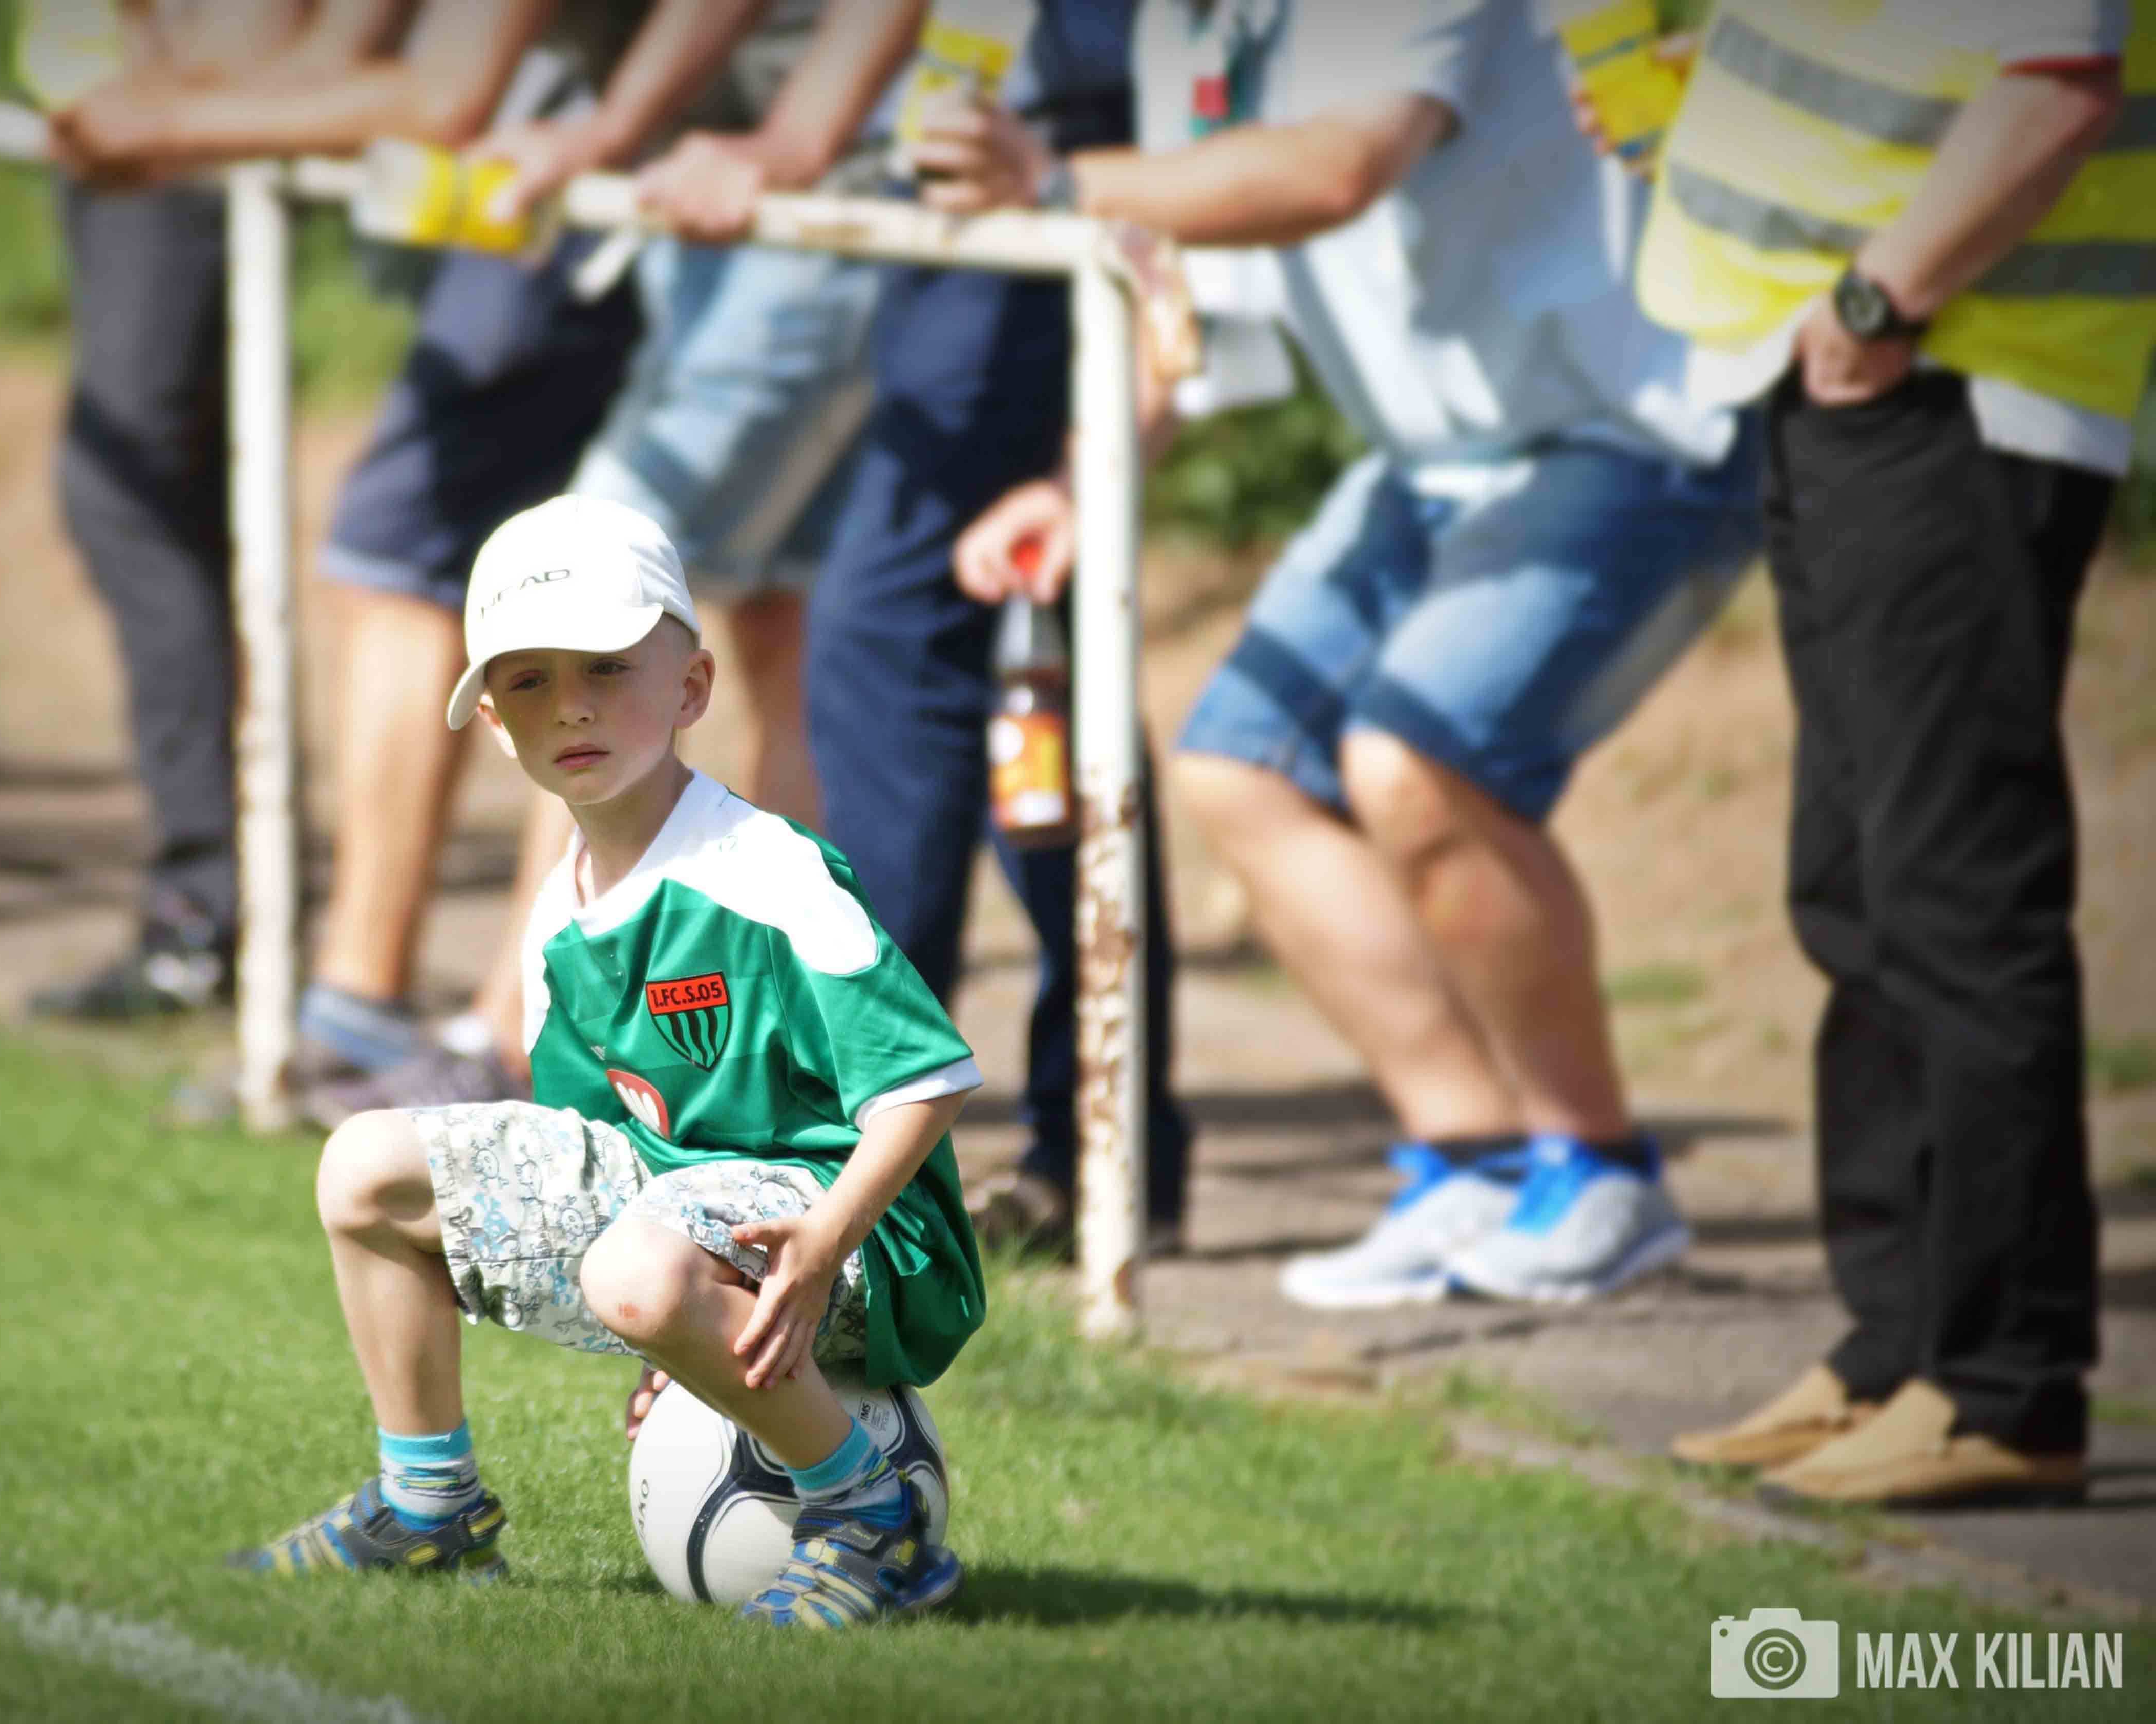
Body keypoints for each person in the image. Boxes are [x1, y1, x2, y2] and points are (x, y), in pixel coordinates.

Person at [929, 0, 1762, 1303]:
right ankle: (1476, 1162)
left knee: (1417, 764)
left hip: (1631, 426)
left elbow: (1336, 167)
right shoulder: (1186, 28)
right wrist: (1079, 487)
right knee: (1237, 768)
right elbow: (1188, 274)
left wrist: (1051, 176)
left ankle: (1601, 1172)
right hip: (1427, 458)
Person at [244, 496, 979, 1632]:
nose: (570, 705)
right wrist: (673, 1333)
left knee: (636, 1266)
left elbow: (927, 1083)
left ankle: (871, 1517)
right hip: (688, 1221)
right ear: (496, 723)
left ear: (692, 686)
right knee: (363, 1165)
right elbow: (606, 1152)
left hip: (865, 1232)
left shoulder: (767, 872)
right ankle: (427, 1505)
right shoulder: (554, 922)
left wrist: (824, 1239)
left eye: (606, 666)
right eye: (528, 681)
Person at [1630, 0, 2144, 1507]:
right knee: (1858, 890)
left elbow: (2059, 79)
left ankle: (2004, 1383)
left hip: (1947, 371)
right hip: (1875, 374)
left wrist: (1874, 305)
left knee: (1956, 902)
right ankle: (1900, 1347)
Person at [291, 0, 927, 1123]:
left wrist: (644, 129)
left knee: (597, 603)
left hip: (830, 188)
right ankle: (790, 1053)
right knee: (786, 628)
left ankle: (519, 1042)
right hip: (758, 185)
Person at [649, 0, 1202, 1258]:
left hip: (1044, 196)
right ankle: (1075, 1147)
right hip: (992, 208)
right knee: (1011, 708)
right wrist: (793, 140)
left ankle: (902, 1153)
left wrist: (789, 143)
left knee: (954, 694)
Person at [25, 0, 417, 1019]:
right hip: (132, 103)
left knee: (130, 490)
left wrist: (187, 90)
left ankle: (208, 904)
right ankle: (229, 890)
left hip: (186, 115)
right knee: (153, 493)